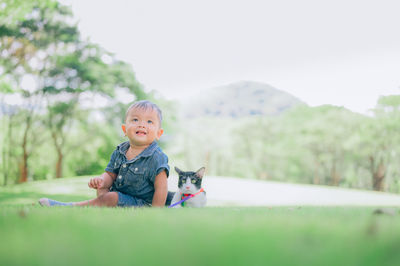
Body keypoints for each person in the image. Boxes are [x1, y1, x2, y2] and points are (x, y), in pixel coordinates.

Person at [39, 100, 169, 208]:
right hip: (118, 196)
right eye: (135, 120)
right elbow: (110, 175)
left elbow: (161, 189)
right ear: (124, 129)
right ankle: (103, 205)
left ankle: (71, 206)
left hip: (142, 204)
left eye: (149, 122)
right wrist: (101, 180)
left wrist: (155, 211)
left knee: (112, 197)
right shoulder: (120, 151)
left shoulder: (156, 157)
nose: (141, 125)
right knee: (103, 189)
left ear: (159, 133)